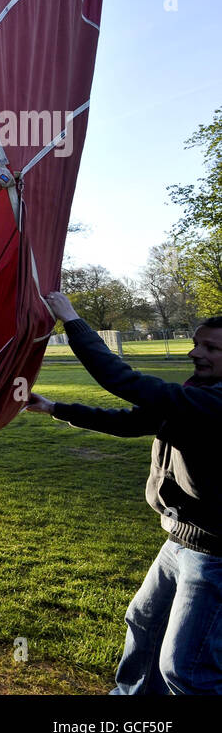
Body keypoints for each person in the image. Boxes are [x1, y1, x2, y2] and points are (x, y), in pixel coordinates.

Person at [27, 291, 222, 694]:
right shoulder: (198, 395)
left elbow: (124, 381)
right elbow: (129, 422)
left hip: (215, 555)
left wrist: (73, 321)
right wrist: (53, 408)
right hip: (180, 540)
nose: (194, 352)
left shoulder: (213, 403)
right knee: (144, 626)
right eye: (196, 342)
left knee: (185, 668)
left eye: (211, 348)